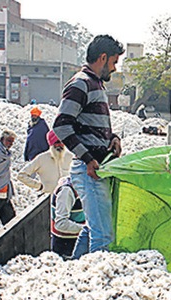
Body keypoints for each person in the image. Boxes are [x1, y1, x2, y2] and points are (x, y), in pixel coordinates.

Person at [53, 34, 124, 258]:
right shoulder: (81, 84)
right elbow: (62, 126)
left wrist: (112, 138)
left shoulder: (96, 85)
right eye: (113, 62)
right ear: (102, 58)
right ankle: (95, 282)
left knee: (92, 228)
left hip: (94, 167)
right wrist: (88, 159)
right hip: (89, 170)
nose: (114, 68)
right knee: (103, 236)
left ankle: (76, 270)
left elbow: (91, 125)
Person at [17, 130, 73, 194]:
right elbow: (21, 175)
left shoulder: (70, 156)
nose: (60, 145)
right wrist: (39, 186)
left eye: (62, 142)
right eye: (57, 142)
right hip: (49, 196)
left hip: (69, 196)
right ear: (51, 143)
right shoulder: (41, 158)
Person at [50, 177, 86, 259]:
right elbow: (60, 224)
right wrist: (87, 229)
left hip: (76, 241)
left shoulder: (80, 186)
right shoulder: (66, 191)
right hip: (66, 245)